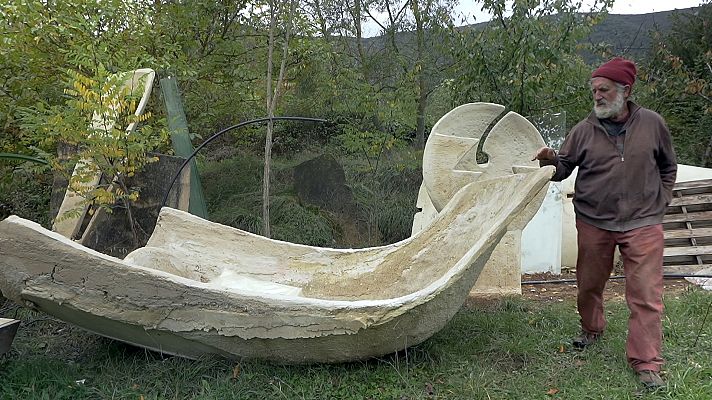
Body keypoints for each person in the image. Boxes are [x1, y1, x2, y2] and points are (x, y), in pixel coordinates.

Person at [533, 57, 677, 388]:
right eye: (594, 90)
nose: (597, 95)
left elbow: (668, 166)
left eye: (604, 89)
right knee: (589, 285)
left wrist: (662, 200)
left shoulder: (653, 124)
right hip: (595, 220)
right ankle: (592, 328)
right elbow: (564, 167)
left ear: (625, 91)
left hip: (642, 222)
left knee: (645, 294)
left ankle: (646, 362)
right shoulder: (584, 130)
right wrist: (550, 160)